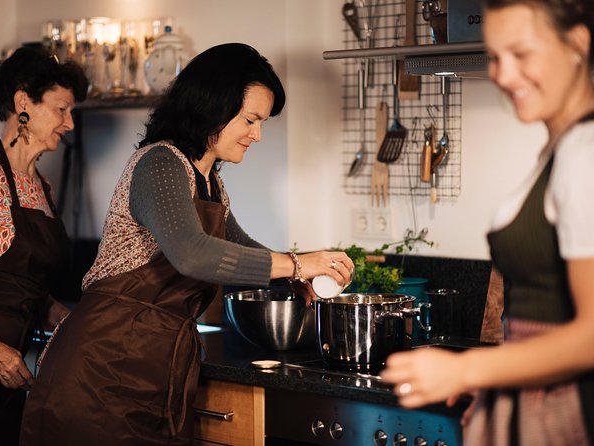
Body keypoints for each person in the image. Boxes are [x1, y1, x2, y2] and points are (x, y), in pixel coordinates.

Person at [19, 42, 354, 445]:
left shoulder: (208, 181)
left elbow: (239, 245)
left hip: (157, 364)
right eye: (250, 119)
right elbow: (193, 253)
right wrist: (299, 264)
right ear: (212, 105)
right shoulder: (160, 163)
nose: (258, 134)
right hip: (101, 363)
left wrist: (291, 278)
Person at [380, 0, 594, 444]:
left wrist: (466, 367)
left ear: (578, 43)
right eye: (494, 56)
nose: (503, 74)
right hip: (539, 405)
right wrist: (497, 384)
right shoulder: (563, 151)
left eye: (522, 53)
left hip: (578, 417)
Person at [0, 46, 88, 446]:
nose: (70, 124)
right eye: (62, 109)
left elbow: (22, 283)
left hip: (7, 377)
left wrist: (67, 320)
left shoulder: (40, 188)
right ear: (23, 103)